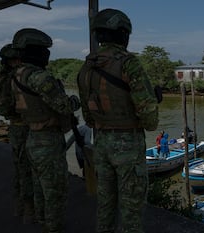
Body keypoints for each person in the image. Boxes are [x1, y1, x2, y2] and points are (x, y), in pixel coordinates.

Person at [77, 8, 159, 233]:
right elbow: (150, 118)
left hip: (102, 142)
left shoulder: (87, 67)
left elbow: (88, 117)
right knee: (131, 207)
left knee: (105, 201)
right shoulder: (128, 63)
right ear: (123, 34)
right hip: (128, 144)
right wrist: (153, 102)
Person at [10, 28, 80, 233]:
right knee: (55, 191)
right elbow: (64, 106)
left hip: (32, 136)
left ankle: (42, 221)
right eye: (44, 51)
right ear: (36, 52)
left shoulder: (17, 76)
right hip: (47, 140)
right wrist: (75, 101)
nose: (47, 55)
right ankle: (53, 227)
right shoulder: (40, 78)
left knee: (40, 187)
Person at [0, 44, 34, 223]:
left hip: (14, 127)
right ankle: (29, 210)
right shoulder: (14, 79)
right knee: (27, 170)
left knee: (19, 168)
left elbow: (1, 107)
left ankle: (19, 207)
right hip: (24, 126)